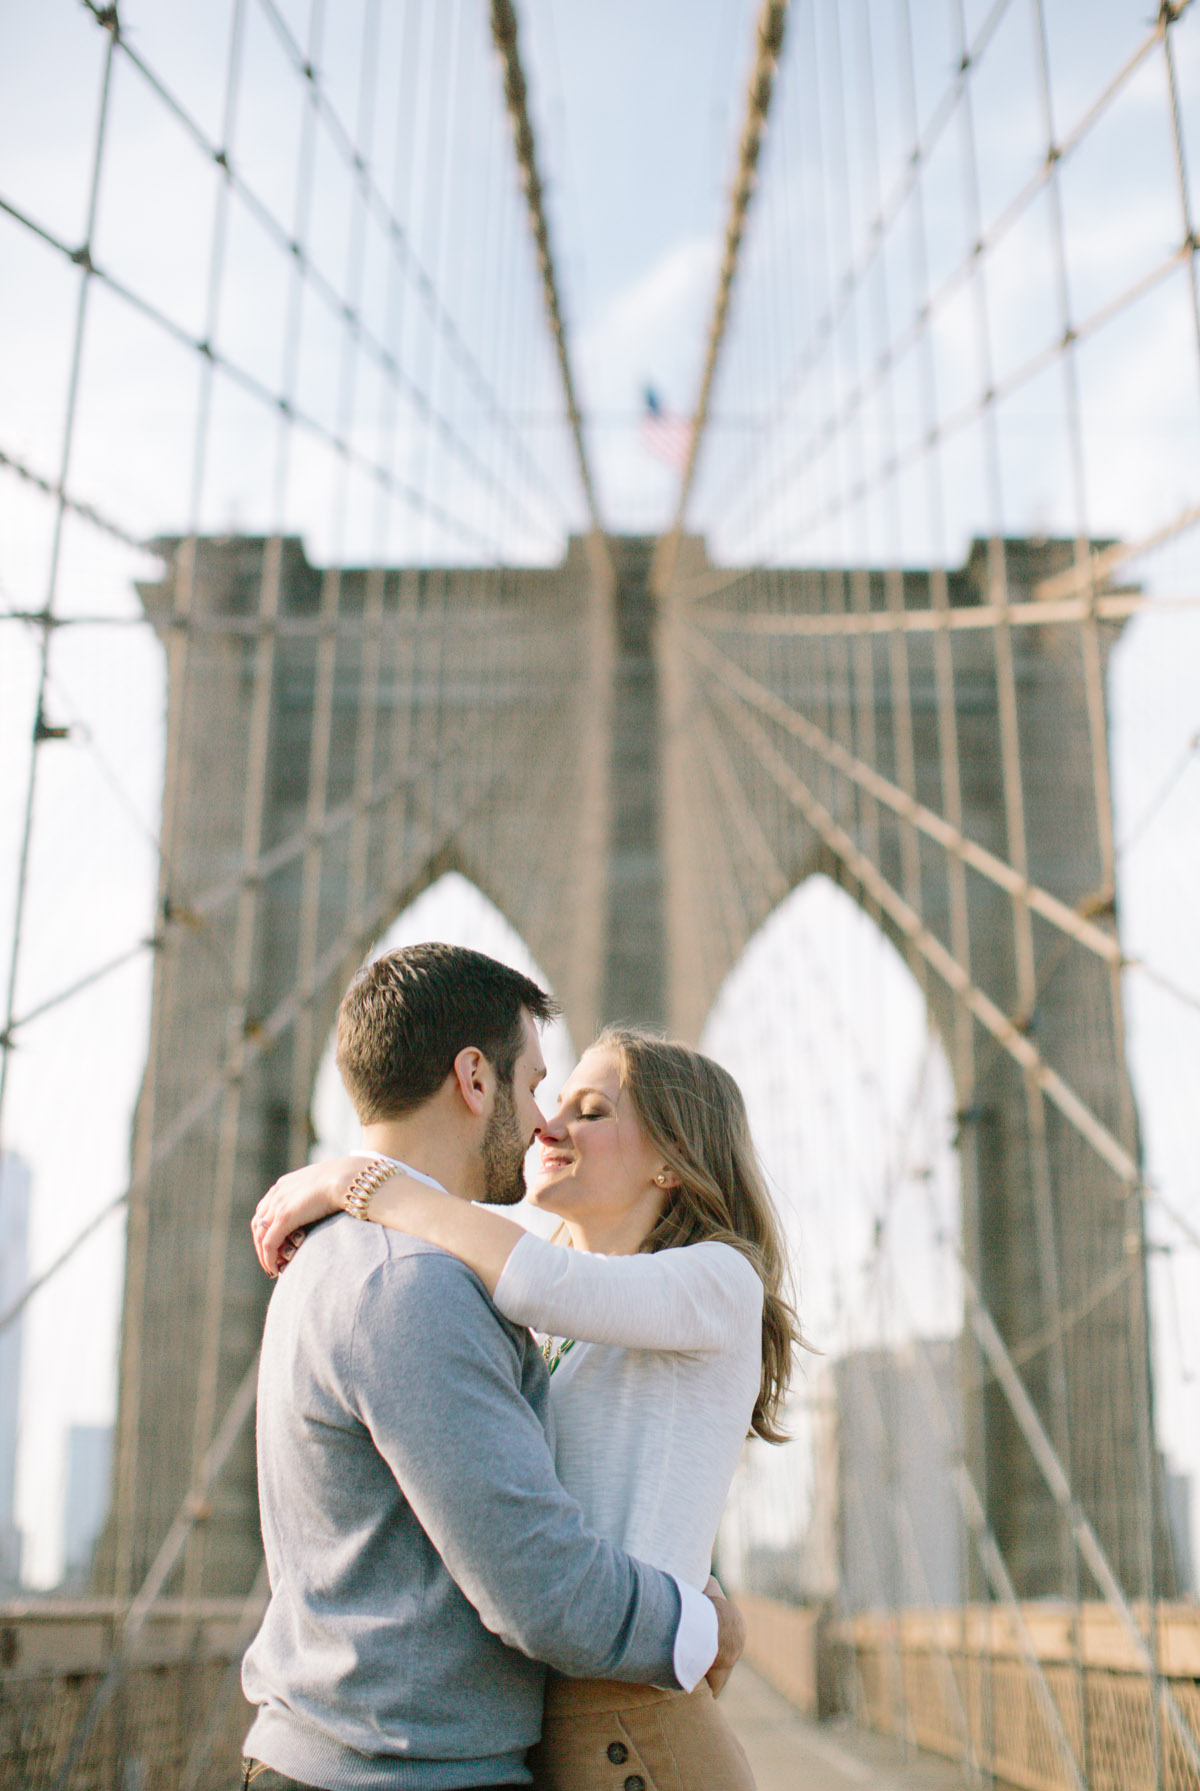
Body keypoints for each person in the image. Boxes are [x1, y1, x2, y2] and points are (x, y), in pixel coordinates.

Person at [254, 999, 802, 1790]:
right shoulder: (553, 1324)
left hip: (631, 1726)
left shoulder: (720, 1279)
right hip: (560, 1717)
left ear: (671, 1161)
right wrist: (694, 1599)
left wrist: (362, 1180)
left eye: (591, 1111)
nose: (548, 1125)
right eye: (554, 1100)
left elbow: (544, 1279)